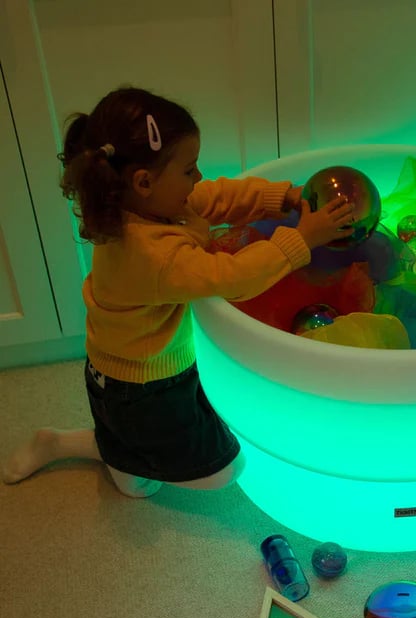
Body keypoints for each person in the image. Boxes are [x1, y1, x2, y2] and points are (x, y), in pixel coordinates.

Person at [2, 86, 354, 497]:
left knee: (134, 468)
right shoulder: (152, 255)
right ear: (144, 181)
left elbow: (218, 197)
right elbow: (235, 278)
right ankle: (82, 446)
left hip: (119, 374)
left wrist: (284, 197)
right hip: (142, 389)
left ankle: (68, 443)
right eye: (189, 170)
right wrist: (303, 239)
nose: (198, 177)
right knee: (220, 471)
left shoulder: (141, 204)